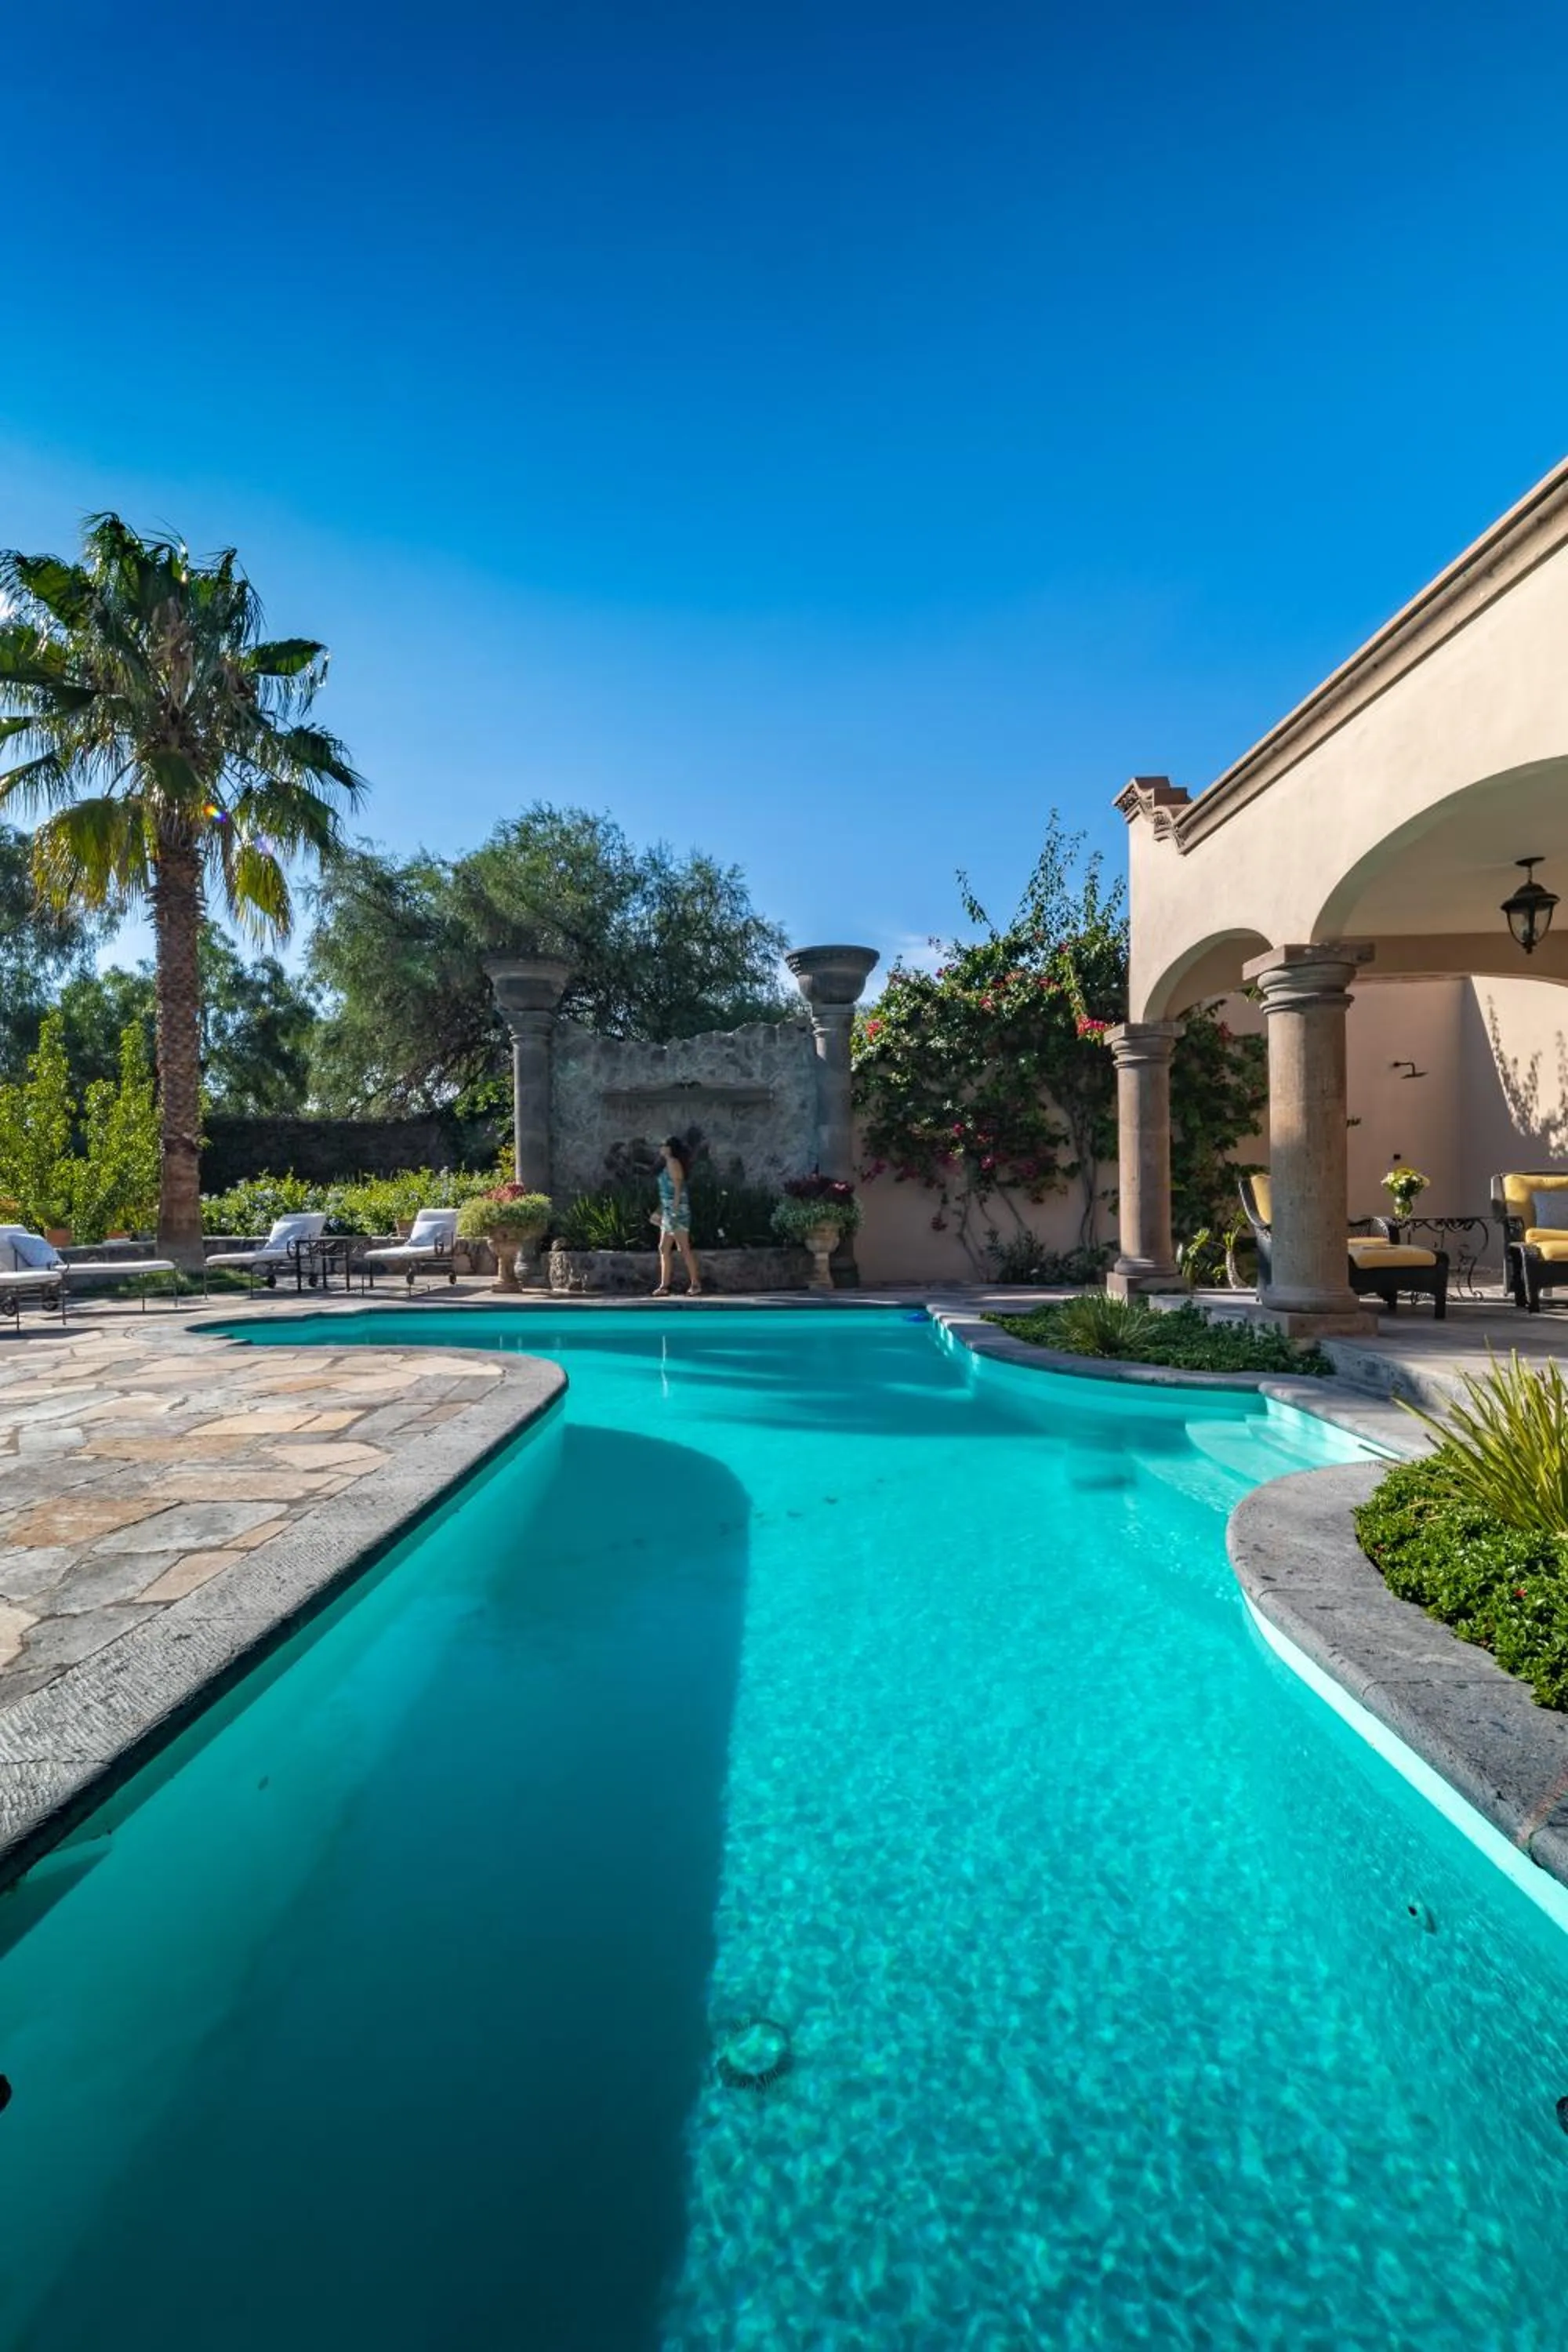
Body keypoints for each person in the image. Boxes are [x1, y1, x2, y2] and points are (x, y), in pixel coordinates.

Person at [651, 1135, 702, 1297]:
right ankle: (664, 1285)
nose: (661, 1148)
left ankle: (695, 1284)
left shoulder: (673, 1163)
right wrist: (660, 1211)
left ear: (670, 1148)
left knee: (683, 1247)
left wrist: (674, 1210)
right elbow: (665, 1193)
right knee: (663, 1248)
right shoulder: (665, 1165)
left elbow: (678, 1188)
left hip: (677, 1211)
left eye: (664, 1145)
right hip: (668, 1211)